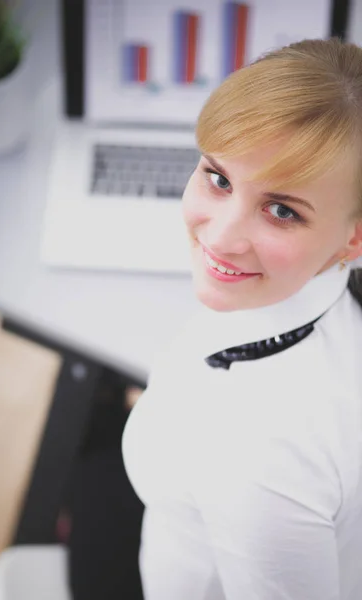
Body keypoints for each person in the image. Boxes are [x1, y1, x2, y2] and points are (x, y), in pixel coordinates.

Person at [122, 37, 362, 600]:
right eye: (218, 177)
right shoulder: (319, 300)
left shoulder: (256, 459)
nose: (221, 237)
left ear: (354, 237)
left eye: (282, 210)